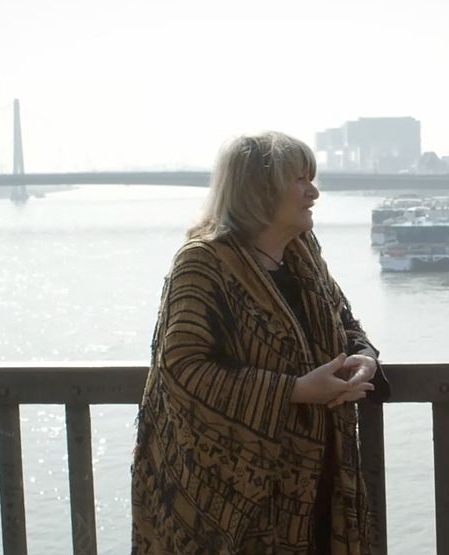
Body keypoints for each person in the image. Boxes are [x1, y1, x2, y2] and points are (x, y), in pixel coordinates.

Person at [131, 131, 390, 554]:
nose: (314, 192)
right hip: (232, 498)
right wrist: (295, 391)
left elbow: (344, 322)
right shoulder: (202, 263)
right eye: (300, 180)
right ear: (258, 188)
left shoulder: (302, 252)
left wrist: (364, 357)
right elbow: (183, 367)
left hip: (318, 481)